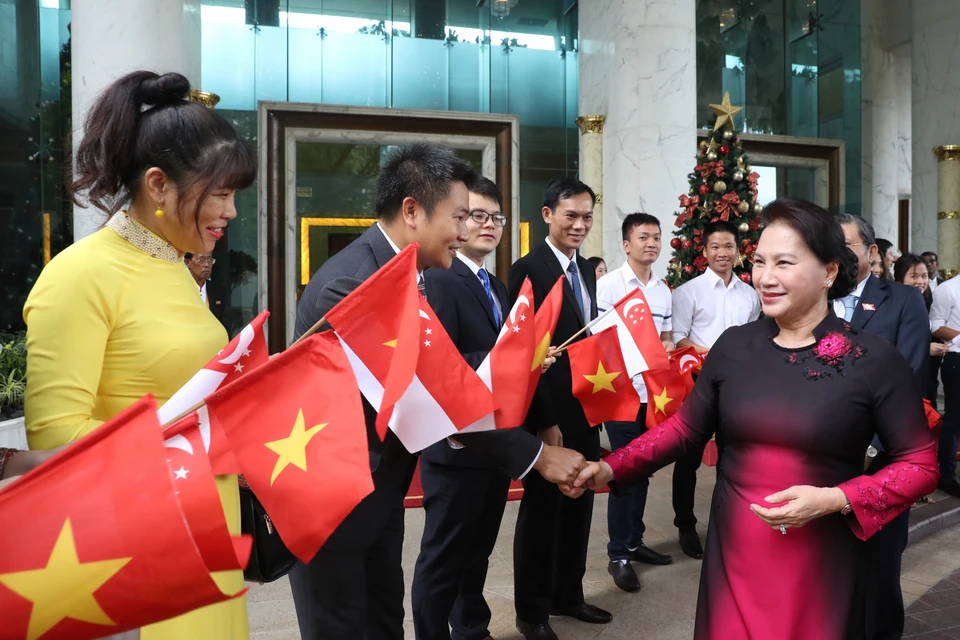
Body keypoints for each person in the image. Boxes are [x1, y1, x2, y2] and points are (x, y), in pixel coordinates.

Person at [568, 198, 939, 640]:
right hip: (735, 553)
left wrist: (837, 499)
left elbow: (920, 464)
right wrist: (611, 467)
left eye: (784, 263)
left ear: (829, 272)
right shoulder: (734, 346)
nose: (765, 277)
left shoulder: (873, 359)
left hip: (821, 560)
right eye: (759, 261)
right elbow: (685, 428)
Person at [291, 146, 586, 640]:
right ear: (412, 212)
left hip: (375, 487)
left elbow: (439, 368)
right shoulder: (352, 282)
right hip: (332, 504)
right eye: (457, 217)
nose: (465, 232)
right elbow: (424, 387)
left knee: (384, 618)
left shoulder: (402, 271)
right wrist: (536, 456)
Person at [23, 70, 256, 638]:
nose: (229, 212)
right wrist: (187, 436)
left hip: (204, 519)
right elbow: (55, 441)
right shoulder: (80, 275)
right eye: (220, 193)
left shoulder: (175, 269)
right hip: (138, 541)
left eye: (233, 196)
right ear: (158, 184)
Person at [411, 176, 576, 640]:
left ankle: (471, 629)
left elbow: (510, 367)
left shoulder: (497, 287)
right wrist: (515, 358)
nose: (487, 225)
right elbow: (439, 364)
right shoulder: (442, 280)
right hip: (458, 447)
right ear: (457, 223)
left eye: (496, 217)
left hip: (497, 444)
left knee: (477, 552)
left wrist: (541, 415)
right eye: (474, 215)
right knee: (443, 558)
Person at [509, 178, 611, 640]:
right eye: (571, 215)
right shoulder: (526, 270)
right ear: (547, 215)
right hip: (548, 413)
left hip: (586, 406)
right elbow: (524, 355)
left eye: (587, 216)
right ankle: (532, 612)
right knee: (543, 513)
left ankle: (568, 594)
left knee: (580, 505)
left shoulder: (587, 269)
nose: (580, 224)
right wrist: (544, 421)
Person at [835, 214, 930, 640]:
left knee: (880, 566)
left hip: (881, 459)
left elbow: (907, 376)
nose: (836, 255)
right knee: (828, 569)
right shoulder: (812, 297)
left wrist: (867, 446)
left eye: (847, 246)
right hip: (824, 459)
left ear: (871, 252)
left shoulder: (903, 301)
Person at [594, 213, 677, 594]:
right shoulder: (609, 286)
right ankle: (618, 555)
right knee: (624, 474)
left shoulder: (663, 290)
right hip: (622, 394)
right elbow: (599, 341)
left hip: (654, 396)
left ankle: (634, 541)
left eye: (657, 237)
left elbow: (666, 338)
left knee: (643, 469)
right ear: (626, 244)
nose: (652, 244)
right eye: (643, 237)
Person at [672, 220, 761, 354]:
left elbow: (753, 336)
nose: (722, 253)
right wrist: (712, 357)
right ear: (705, 252)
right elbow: (677, 336)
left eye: (728, 246)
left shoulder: (750, 294)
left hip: (741, 370)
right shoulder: (686, 292)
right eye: (715, 247)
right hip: (700, 370)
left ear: (737, 251)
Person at [895, 254, 949, 412]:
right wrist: (927, 348)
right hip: (902, 376)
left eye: (924, 276)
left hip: (924, 372)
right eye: (914, 276)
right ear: (900, 278)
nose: (920, 281)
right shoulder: (895, 302)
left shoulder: (924, 299)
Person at [929, 268, 960, 497]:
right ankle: (946, 475)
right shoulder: (947, 288)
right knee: (954, 418)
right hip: (956, 358)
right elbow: (936, 325)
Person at [184, 252, 227, 324]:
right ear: (188, 262)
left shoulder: (217, 290)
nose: (207, 264)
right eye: (201, 260)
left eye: (210, 260)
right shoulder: (179, 288)